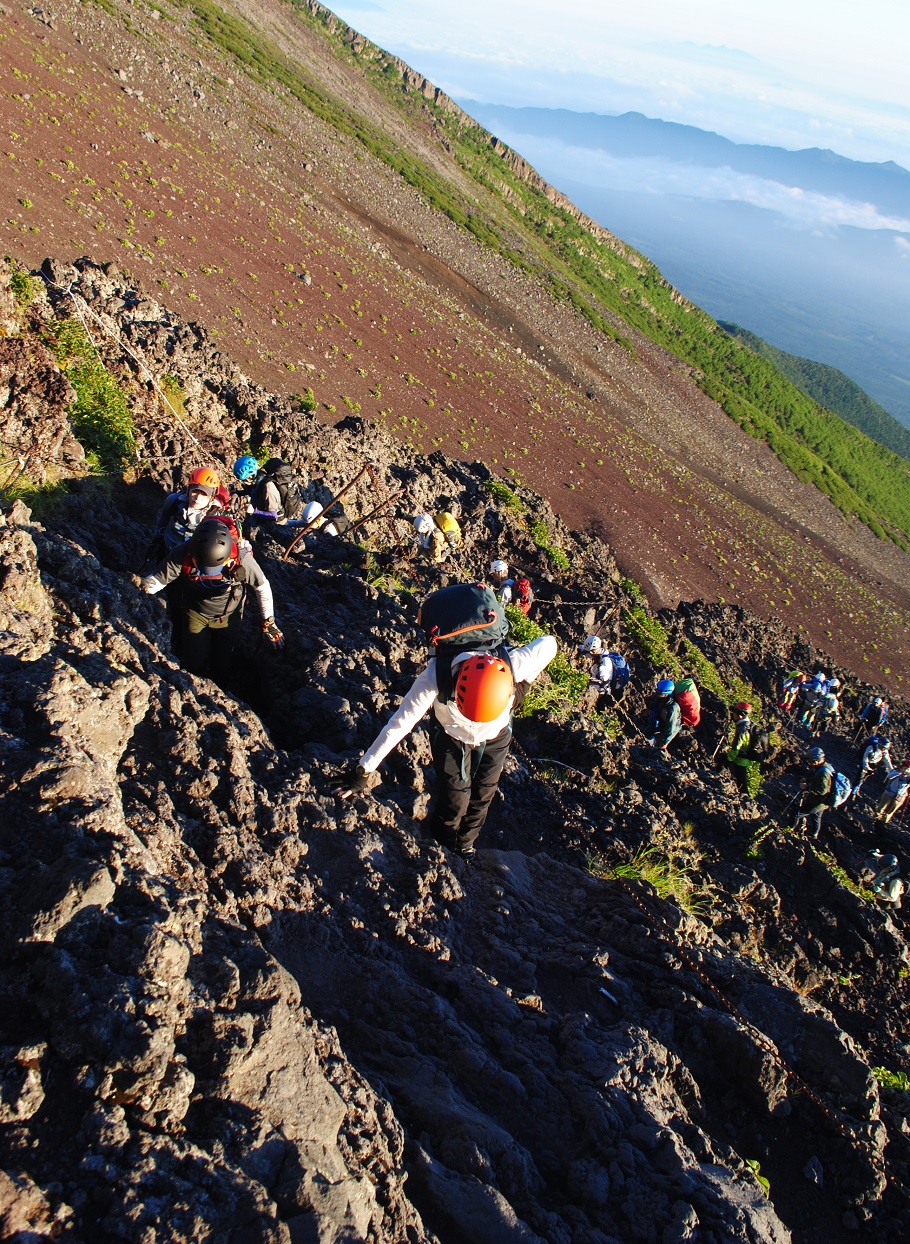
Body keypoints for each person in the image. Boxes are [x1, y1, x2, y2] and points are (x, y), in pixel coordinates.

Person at [334, 622, 557, 859]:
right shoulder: (434, 676)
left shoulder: (513, 665)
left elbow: (550, 644)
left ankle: (465, 847)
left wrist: (526, 682)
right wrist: (363, 770)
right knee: (456, 794)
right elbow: (400, 724)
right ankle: (443, 843)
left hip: (496, 733)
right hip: (451, 734)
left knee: (484, 792)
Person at [142, 517, 283, 681]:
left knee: (224, 660)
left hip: (229, 615)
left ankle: (222, 683)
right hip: (195, 612)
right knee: (194, 662)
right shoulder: (183, 553)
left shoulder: (241, 558)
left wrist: (269, 623)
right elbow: (158, 580)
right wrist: (140, 585)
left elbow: (262, 587)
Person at [153, 466, 224, 556]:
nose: (198, 498)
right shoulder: (174, 501)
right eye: (195, 491)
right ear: (189, 489)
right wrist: (156, 541)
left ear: (212, 497)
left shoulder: (215, 518)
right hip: (166, 552)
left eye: (204, 494)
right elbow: (163, 521)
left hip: (190, 563)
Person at [792, 746, 832, 840]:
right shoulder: (826, 767)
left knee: (797, 813)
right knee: (816, 818)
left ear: (816, 761)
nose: (810, 763)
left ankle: (789, 829)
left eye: (811, 761)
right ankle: (814, 835)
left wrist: (807, 787)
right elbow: (817, 779)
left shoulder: (823, 773)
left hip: (818, 802)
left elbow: (822, 790)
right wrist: (807, 780)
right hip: (824, 802)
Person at [725, 701, 755, 793]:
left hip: (741, 759)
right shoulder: (750, 724)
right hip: (746, 757)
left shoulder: (742, 729)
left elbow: (735, 748)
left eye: (734, 713)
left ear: (740, 715)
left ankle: (745, 798)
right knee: (741, 779)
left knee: (741, 781)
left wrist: (728, 760)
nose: (733, 715)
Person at [647, 679, 681, 752]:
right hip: (662, 717)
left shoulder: (673, 708)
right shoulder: (662, 698)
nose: (656, 693)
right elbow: (655, 703)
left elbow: (671, 726)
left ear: (665, 694)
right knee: (648, 732)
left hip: (673, 725)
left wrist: (665, 742)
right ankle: (650, 741)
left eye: (658, 692)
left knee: (661, 748)